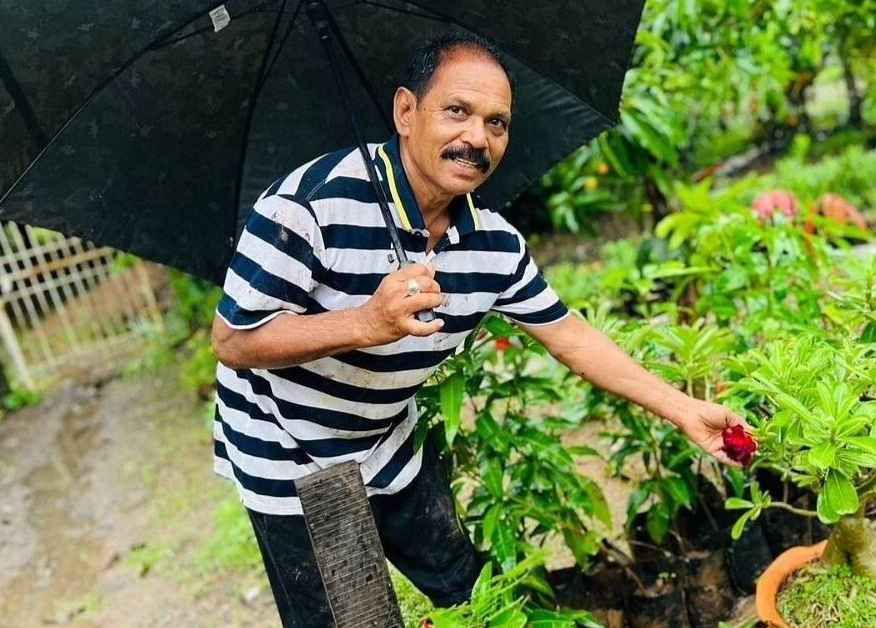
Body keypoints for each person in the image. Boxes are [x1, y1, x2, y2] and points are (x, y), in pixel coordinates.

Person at [210, 33, 745, 625]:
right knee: (343, 617)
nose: (477, 138)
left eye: (497, 122)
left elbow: (570, 336)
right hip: (289, 450)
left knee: (467, 588)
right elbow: (233, 341)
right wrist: (365, 322)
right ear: (406, 112)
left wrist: (682, 409)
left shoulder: (493, 243)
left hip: (388, 440)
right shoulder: (305, 206)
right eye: (457, 111)